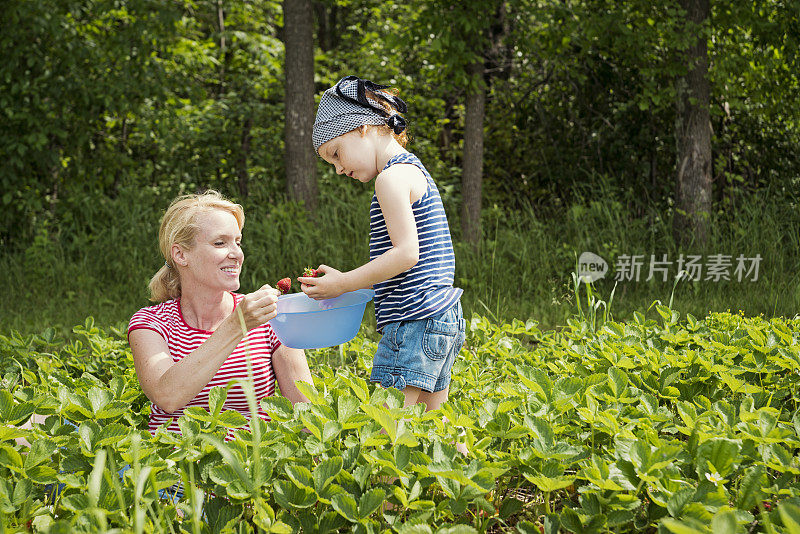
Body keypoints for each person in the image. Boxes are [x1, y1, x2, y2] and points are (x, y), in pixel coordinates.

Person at [299, 76, 466, 451]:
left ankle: (381, 506)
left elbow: (406, 255)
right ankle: (469, 498)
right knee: (435, 430)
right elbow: (405, 265)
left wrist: (343, 283)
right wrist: (348, 282)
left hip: (414, 321)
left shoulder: (390, 180)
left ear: (361, 129)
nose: (337, 169)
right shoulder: (412, 170)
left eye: (336, 154)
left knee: (385, 433)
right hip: (441, 318)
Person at [128, 190, 312, 443]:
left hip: (251, 468)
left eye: (238, 241)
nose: (236, 253)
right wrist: (237, 325)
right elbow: (167, 396)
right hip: (176, 470)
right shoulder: (151, 324)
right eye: (220, 243)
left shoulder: (270, 317)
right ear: (181, 255)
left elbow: (307, 415)